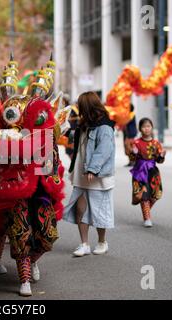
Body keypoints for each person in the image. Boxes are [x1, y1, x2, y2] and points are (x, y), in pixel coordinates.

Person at [64, 92, 116, 258]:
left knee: (99, 210)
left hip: (97, 175)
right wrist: (64, 131)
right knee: (81, 209)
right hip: (81, 172)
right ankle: (84, 243)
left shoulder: (104, 126)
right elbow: (78, 140)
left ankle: (102, 242)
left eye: (80, 105)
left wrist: (93, 169)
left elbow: (104, 150)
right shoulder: (84, 123)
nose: (78, 109)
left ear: (88, 107)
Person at [129, 118, 166, 228]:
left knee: (155, 195)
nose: (147, 128)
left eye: (148, 126)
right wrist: (133, 153)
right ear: (140, 129)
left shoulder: (156, 143)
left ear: (152, 127)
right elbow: (132, 158)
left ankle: (146, 211)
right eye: (144, 126)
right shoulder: (136, 143)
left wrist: (162, 156)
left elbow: (160, 161)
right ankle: (147, 218)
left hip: (153, 172)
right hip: (140, 171)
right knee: (144, 195)